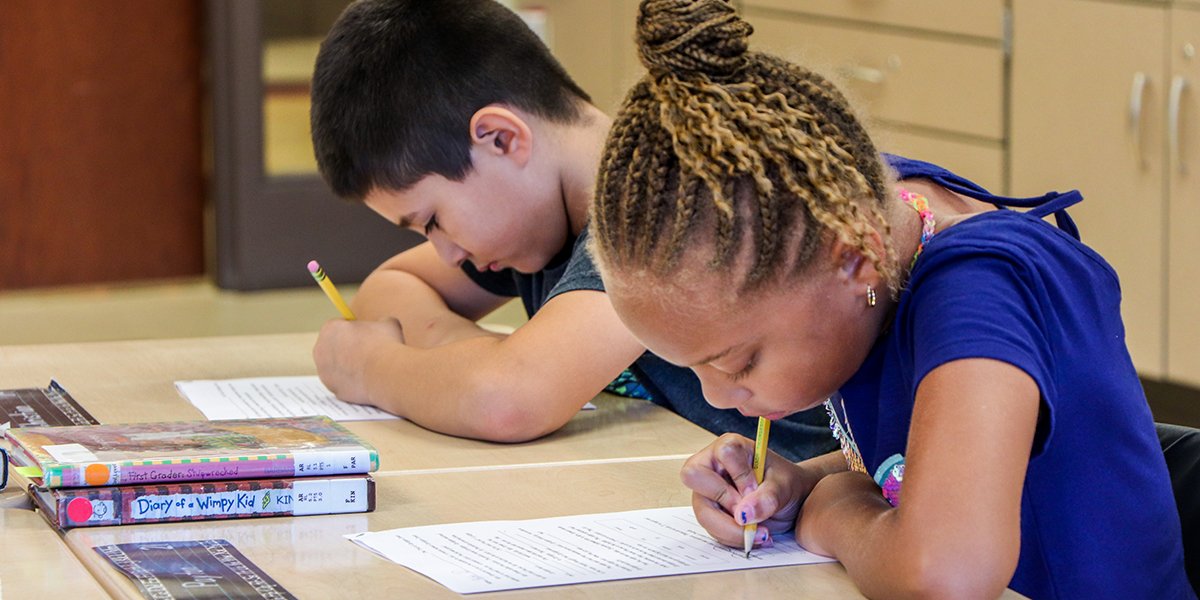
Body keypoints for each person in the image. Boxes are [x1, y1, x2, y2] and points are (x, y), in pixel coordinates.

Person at [587, 0, 1194, 597]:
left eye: (739, 362)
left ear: (856, 257)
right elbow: (933, 456)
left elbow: (946, 576)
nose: (716, 397)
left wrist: (834, 507)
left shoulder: (983, 285)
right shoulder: (852, 222)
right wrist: (802, 482)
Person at [305, 0, 834, 460]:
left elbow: (509, 400)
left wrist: (371, 367)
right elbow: (389, 288)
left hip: (821, 498)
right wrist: (462, 355)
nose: (446, 253)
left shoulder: (655, 211)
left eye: (433, 220)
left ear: (501, 138)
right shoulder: (536, 226)